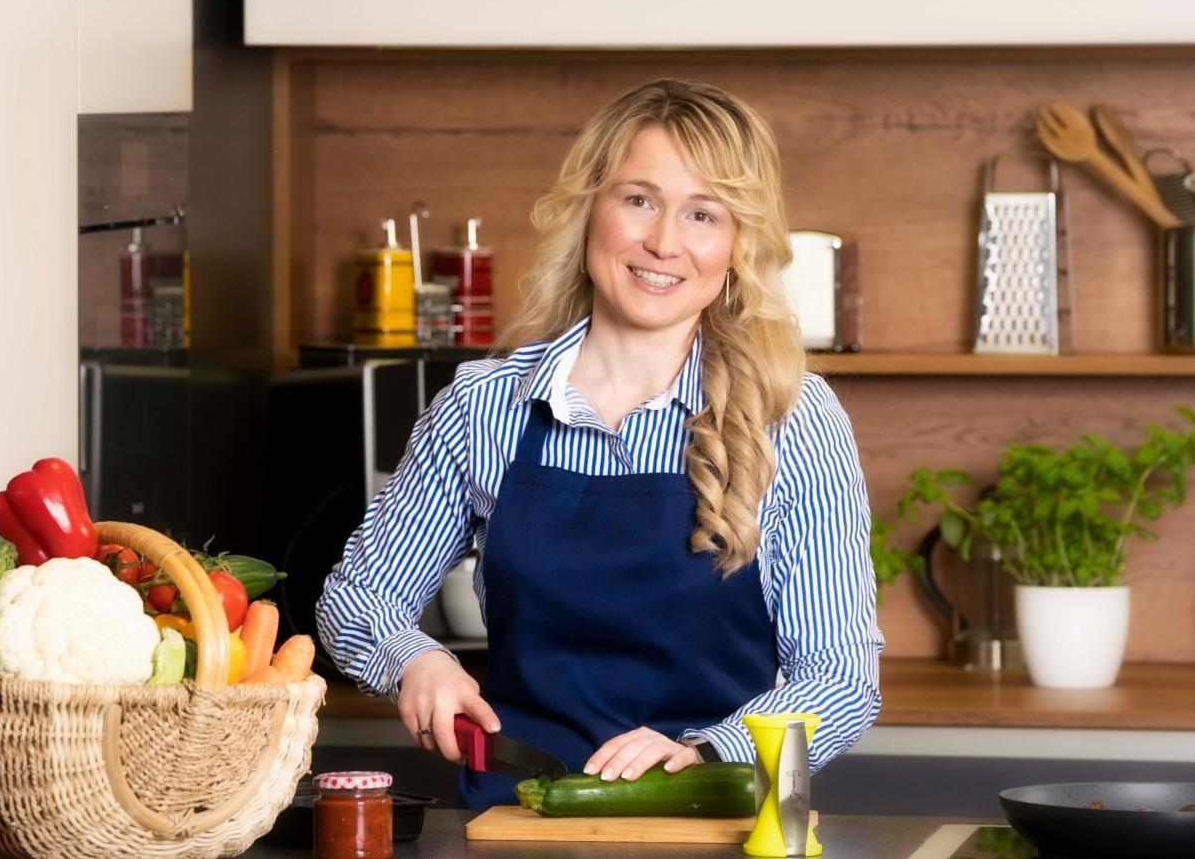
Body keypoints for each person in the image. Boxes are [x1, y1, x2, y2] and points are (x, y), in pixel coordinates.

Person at [316, 79, 883, 810]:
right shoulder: (483, 409)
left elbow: (840, 676)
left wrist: (708, 749)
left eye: (703, 214)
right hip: (519, 827)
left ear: (738, 246)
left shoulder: (791, 417)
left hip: (716, 831)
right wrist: (415, 661)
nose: (664, 243)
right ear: (591, 209)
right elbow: (357, 598)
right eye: (639, 199)